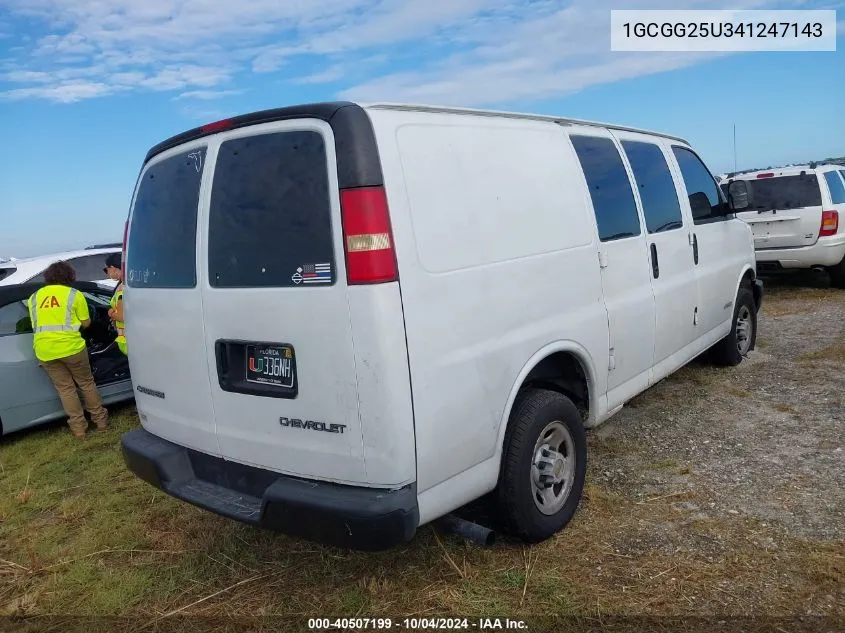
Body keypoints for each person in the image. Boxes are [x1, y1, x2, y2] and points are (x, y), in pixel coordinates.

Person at [28, 261, 109, 438]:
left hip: (44, 350)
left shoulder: (34, 297)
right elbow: (86, 323)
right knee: (86, 383)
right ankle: (100, 421)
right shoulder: (74, 294)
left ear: (48, 277)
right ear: (70, 276)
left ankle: (79, 429)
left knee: (65, 389)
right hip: (71, 348)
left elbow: (36, 323)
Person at [104, 253, 127, 356]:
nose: (107, 273)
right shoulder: (129, 284)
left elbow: (122, 317)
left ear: (112, 268)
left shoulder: (122, 289)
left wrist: (110, 312)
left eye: (106, 269)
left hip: (126, 340)